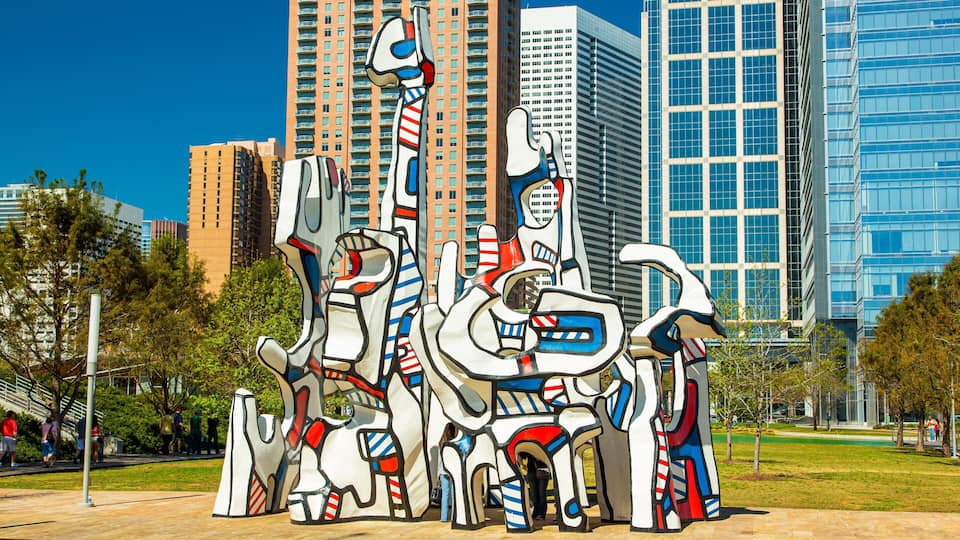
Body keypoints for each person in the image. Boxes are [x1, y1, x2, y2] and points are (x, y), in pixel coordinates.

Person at [438, 423, 457, 522]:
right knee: (454, 495)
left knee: (445, 495)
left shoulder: (441, 443)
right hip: (452, 472)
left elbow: (439, 460)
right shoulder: (454, 443)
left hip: (442, 471)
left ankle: (443, 518)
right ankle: (454, 516)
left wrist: (438, 473)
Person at [523, 453, 550, 520]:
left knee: (541, 493)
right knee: (534, 494)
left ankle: (541, 514)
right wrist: (523, 465)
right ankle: (536, 512)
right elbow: (520, 456)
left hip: (542, 469)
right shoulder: (528, 445)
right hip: (532, 471)